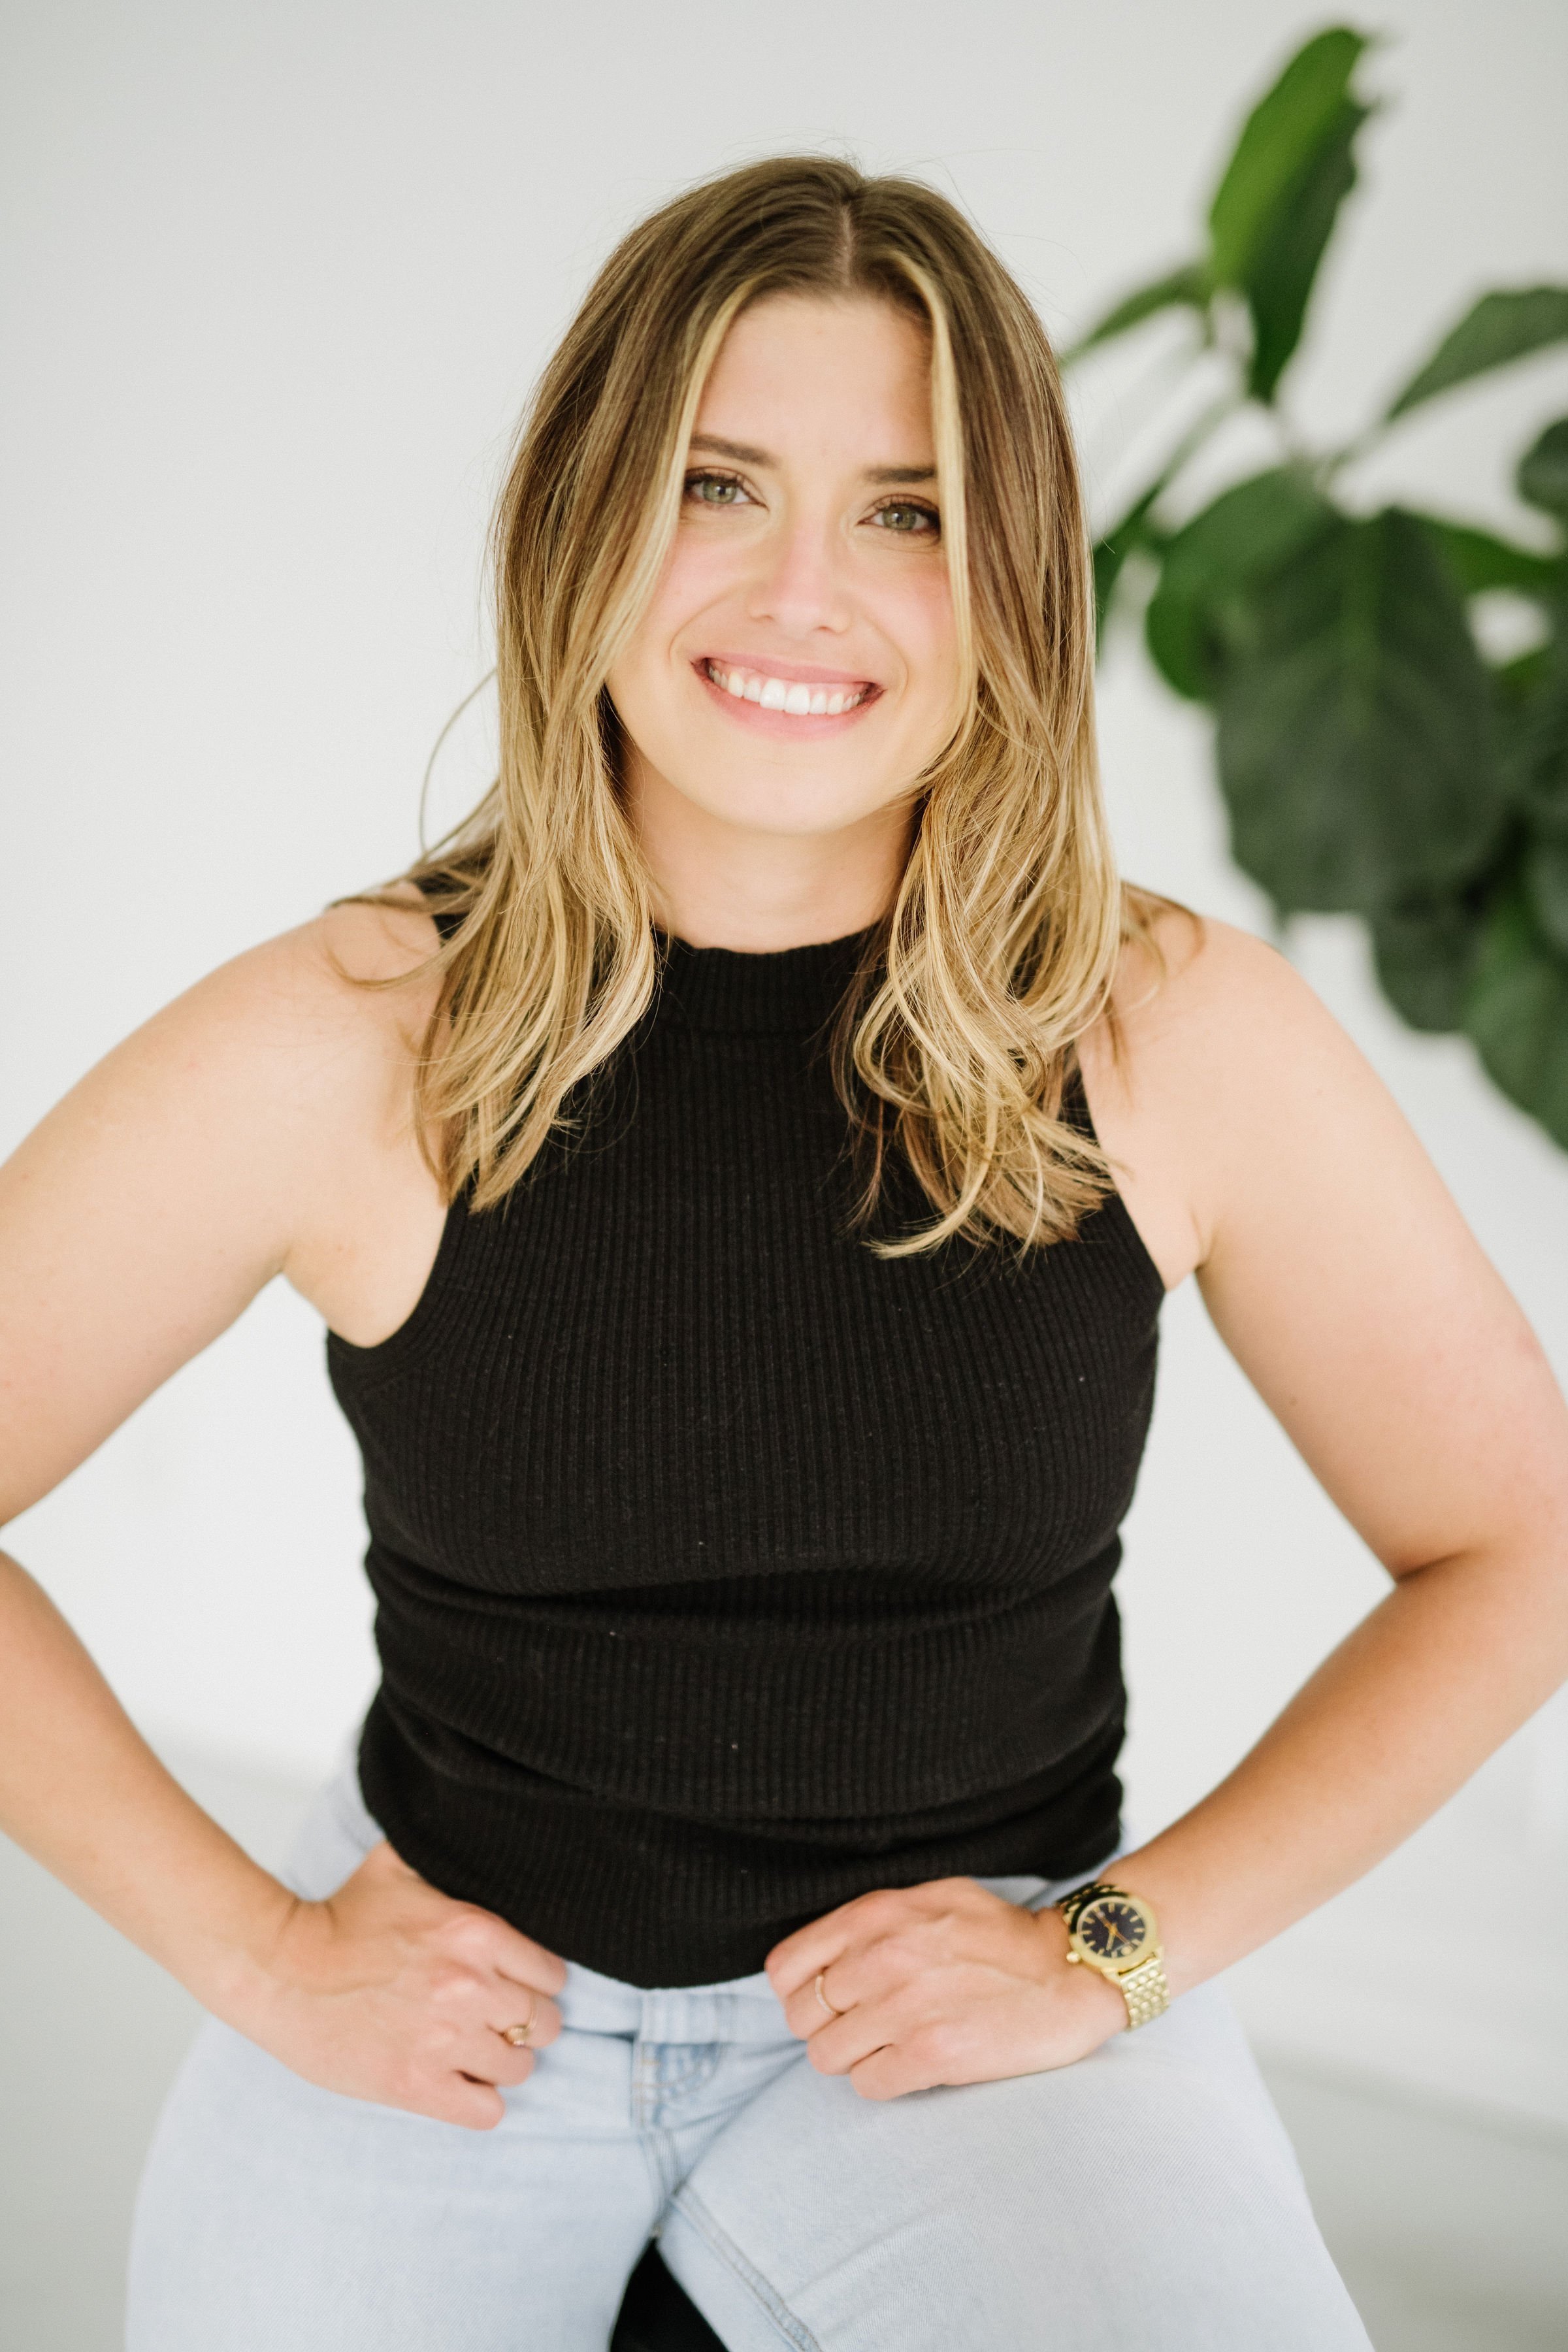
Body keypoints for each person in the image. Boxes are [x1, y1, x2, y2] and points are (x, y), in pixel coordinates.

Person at [1, 155, 1564, 2352]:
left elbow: (1519, 1541)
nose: (804, 589)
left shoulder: (1162, 1032)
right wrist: (259, 1958)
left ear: (1007, 578)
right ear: (584, 522)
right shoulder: (356, 1031)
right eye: (719, 485)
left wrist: (1108, 1952)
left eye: (908, 511)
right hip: (463, 2011)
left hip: (975, 1996)